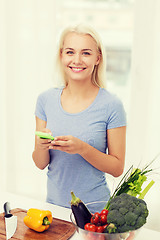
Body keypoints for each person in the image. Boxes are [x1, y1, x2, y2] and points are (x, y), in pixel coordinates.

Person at [32, 24, 126, 210]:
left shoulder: (111, 105)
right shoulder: (45, 100)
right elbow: (40, 163)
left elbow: (117, 168)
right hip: (54, 209)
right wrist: (41, 146)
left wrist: (82, 148)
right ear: (61, 55)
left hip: (95, 212)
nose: (77, 60)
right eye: (70, 52)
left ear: (98, 58)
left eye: (86, 53)